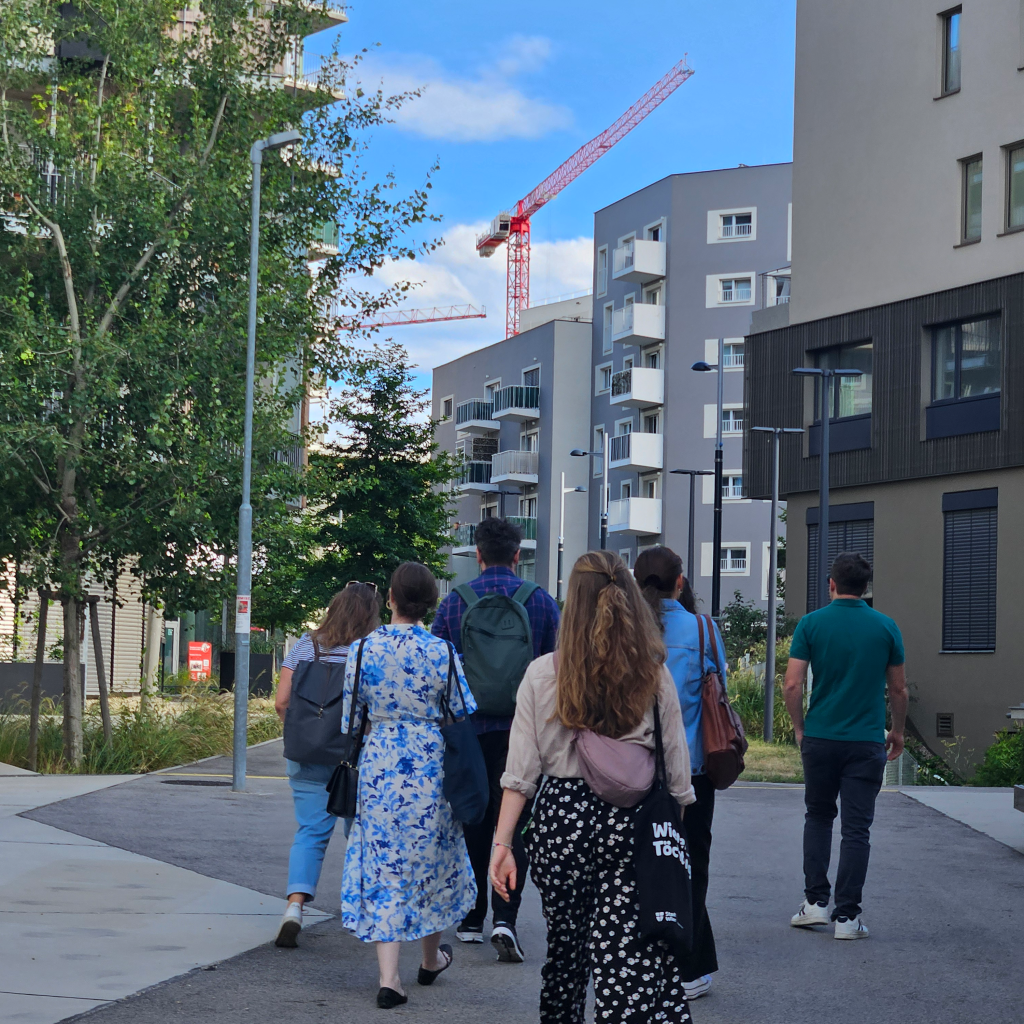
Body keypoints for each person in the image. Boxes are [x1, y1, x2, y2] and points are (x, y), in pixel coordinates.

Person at [490, 550, 696, 1024]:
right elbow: (678, 777)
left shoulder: (543, 674)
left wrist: (503, 844)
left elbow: (521, 774)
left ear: (573, 603)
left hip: (561, 823)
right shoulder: (652, 672)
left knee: (566, 952)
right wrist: (666, 839)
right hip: (632, 822)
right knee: (626, 955)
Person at [341, 561, 477, 1009]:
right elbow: (459, 712)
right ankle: (431, 958)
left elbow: (350, 720)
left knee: (384, 867)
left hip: (379, 764)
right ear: (430, 604)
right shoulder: (442, 652)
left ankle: (388, 979)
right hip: (429, 766)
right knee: (431, 859)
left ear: (392, 600)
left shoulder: (362, 651)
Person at [432, 516, 559, 962]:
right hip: (524, 734)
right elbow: (556, 669)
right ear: (518, 555)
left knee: (474, 818)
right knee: (514, 822)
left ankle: (470, 917)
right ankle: (506, 917)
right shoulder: (541, 602)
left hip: (468, 731)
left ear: (479, 554)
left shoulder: (454, 604)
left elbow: (438, 670)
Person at [783, 551, 907, 939]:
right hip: (866, 741)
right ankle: (847, 918)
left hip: (820, 738)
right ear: (866, 588)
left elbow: (792, 684)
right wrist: (897, 731)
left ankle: (815, 904)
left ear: (831, 584)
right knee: (857, 830)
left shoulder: (811, 624)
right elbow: (898, 688)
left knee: (818, 817)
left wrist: (800, 728)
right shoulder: (886, 627)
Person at [634, 545, 724, 1002]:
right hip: (695, 770)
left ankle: (644, 957)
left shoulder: (624, 631)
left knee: (638, 864)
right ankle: (688, 966)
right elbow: (718, 691)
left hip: (635, 770)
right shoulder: (704, 629)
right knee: (692, 864)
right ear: (681, 583)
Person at [273, 582, 381, 948]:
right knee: (360, 833)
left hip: (306, 754)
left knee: (310, 832)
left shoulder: (305, 645)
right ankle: (360, 910)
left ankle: (294, 908)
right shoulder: (370, 649)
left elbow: (282, 701)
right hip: (354, 757)